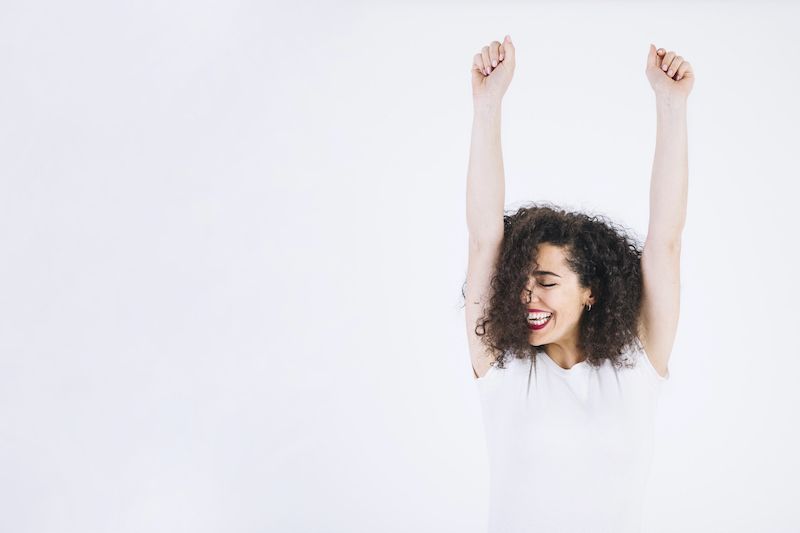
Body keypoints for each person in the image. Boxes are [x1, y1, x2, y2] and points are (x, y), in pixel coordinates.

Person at [462, 35, 692, 532]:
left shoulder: (635, 368)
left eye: (546, 281)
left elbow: (665, 244)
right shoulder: (503, 370)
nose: (529, 296)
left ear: (590, 292)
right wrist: (487, 105)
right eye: (522, 282)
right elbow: (484, 240)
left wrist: (671, 107)